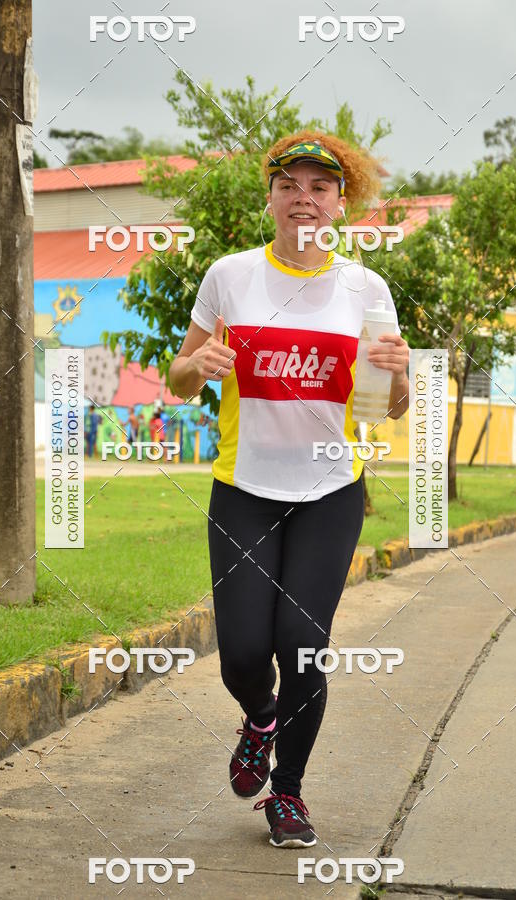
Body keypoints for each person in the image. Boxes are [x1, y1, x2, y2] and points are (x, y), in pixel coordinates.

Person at [169, 131, 410, 849]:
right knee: (244, 654)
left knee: (303, 643)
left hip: (331, 490)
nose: (304, 197)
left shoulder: (365, 289)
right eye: (290, 184)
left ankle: (289, 794)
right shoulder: (231, 278)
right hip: (243, 486)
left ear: (342, 203)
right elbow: (179, 378)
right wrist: (200, 364)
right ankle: (259, 719)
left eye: (321, 187)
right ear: (271, 196)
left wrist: (398, 375)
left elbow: (385, 408)